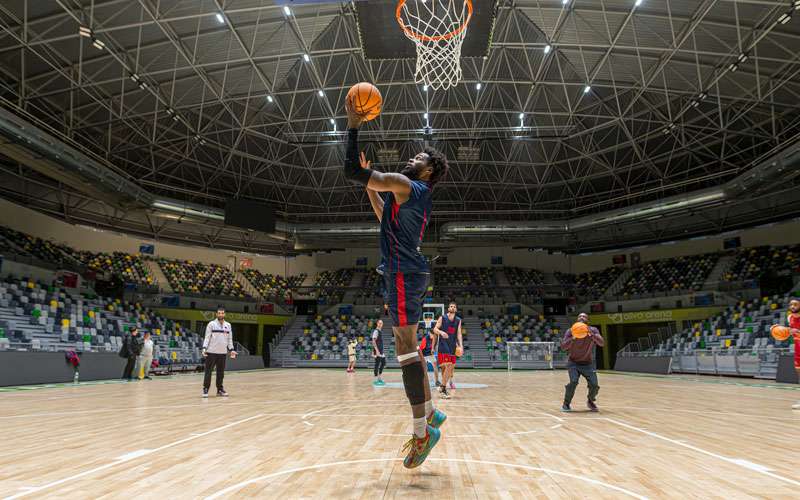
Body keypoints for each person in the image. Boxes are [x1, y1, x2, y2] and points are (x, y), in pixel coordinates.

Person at [343, 99, 449, 469]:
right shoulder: (410, 197)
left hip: (403, 271)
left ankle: (422, 435)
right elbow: (381, 214)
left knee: (404, 350)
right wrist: (370, 184)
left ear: (429, 169)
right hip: (406, 270)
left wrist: (353, 125)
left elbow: (349, 172)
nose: (411, 159)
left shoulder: (407, 185)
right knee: (410, 348)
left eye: (418, 157)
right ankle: (432, 413)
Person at [560, 312, 604, 412]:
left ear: (587, 320)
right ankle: (566, 404)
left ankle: (590, 401)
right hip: (573, 363)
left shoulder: (592, 330)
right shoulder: (571, 331)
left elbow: (601, 343)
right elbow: (563, 347)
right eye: (579, 316)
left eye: (584, 316)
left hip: (588, 363)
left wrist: (591, 334)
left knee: (594, 385)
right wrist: (573, 338)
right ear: (577, 319)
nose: (581, 317)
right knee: (573, 382)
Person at [202, 307, 237, 398]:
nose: (221, 315)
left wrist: (231, 350)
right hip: (211, 352)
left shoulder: (228, 325)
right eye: (219, 313)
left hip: (222, 353)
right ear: (216, 314)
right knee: (208, 372)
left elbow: (229, 339)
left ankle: (219, 390)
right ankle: (205, 389)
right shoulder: (211, 324)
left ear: (224, 314)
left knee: (220, 373)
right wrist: (204, 348)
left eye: (222, 313)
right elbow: (207, 337)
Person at [433, 302, 462, 399]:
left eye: (454, 306)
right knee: (448, 365)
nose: (453, 308)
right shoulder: (442, 318)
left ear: (456, 309)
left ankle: (442, 388)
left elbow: (459, 334)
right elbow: (435, 329)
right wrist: (441, 332)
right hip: (443, 345)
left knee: (449, 369)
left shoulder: (458, 320)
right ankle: (443, 388)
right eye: (451, 306)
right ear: (448, 308)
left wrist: (461, 346)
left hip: (453, 346)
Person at [785, 299, 800, 410]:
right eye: (791, 304)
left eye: (795, 304)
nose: (793, 306)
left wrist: (797, 332)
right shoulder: (789, 317)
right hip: (798, 348)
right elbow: (790, 331)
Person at [419, 323, 440, 388]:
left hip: (430, 354)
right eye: (432, 335)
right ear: (430, 334)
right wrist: (421, 358)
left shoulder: (435, 338)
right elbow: (420, 349)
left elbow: (434, 347)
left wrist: (433, 350)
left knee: (435, 366)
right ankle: (423, 381)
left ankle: (437, 381)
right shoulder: (425, 339)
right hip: (424, 355)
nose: (433, 337)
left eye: (434, 335)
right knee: (424, 368)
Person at [372, 319, 386, 386]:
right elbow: (373, 342)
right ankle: (376, 379)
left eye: (382, 323)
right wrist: (376, 351)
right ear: (377, 323)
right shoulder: (376, 331)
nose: (381, 324)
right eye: (380, 323)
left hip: (381, 350)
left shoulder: (380, 331)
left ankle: (379, 377)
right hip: (378, 351)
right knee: (377, 364)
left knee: (383, 363)